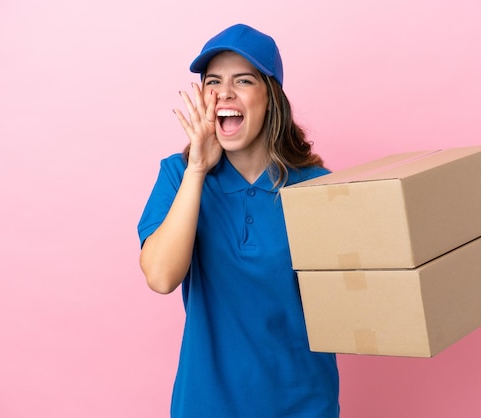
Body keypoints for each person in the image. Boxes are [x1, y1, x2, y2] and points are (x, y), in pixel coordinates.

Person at [137, 23, 340, 417]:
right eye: (213, 81)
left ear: (271, 97)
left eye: (243, 80)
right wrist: (198, 168)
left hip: (303, 405)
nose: (224, 92)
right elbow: (161, 277)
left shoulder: (319, 189)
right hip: (206, 405)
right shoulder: (178, 177)